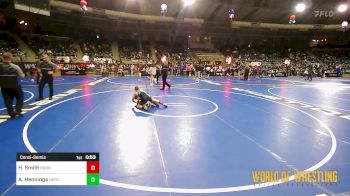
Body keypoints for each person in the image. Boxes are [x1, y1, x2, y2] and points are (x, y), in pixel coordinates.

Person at [0, 52, 25, 118]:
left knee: (7, 100)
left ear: (3, 58)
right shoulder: (15, 67)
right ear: (10, 57)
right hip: (14, 85)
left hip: (4, 86)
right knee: (20, 97)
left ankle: (11, 113)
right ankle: (18, 110)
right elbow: (22, 76)